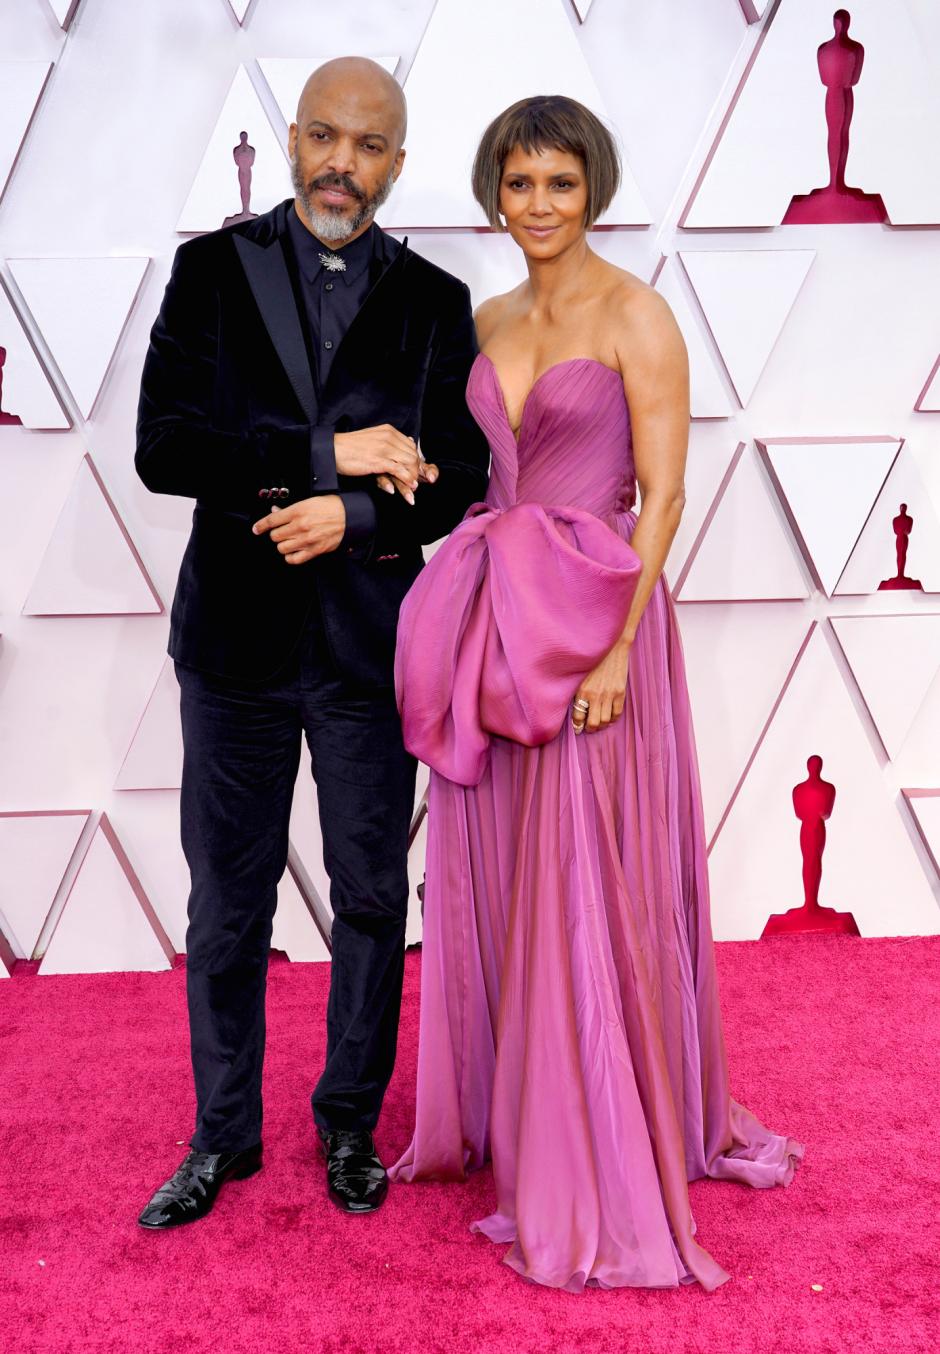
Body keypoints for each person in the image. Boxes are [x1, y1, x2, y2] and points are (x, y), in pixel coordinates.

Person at [390, 94, 805, 1291]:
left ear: (595, 188)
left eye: (559, 185)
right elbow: (486, 466)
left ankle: (602, 1130)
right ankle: (524, 1109)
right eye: (517, 185)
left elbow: (663, 498)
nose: (537, 206)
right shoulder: (489, 314)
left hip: (596, 621)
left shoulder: (639, 315)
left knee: (585, 867)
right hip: (501, 624)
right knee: (510, 862)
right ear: (492, 193)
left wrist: (618, 648)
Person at [134, 57, 489, 1228]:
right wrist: (326, 459)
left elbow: (458, 475)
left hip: (367, 646)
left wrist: (362, 514)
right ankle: (222, 1134)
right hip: (232, 644)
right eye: (326, 136)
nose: (344, 161)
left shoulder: (437, 300)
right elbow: (167, 450)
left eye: (370, 143)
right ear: (293, 140)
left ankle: (347, 1120)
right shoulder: (208, 271)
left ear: (398, 160)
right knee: (226, 904)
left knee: (374, 896)